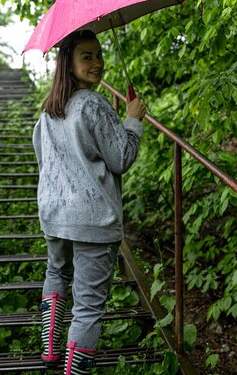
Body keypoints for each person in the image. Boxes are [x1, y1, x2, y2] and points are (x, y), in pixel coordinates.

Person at [33, 29, 146, 374]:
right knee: (88, 306)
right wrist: (133, 120)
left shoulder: (49, 111)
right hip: (92, 220)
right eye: (87, 56)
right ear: (67, 62)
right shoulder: (93, 104)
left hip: (55, 214)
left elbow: (43, 158)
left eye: (98, 55)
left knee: (56, 272)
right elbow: (121, 159)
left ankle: (51, 352)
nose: (97, 63)